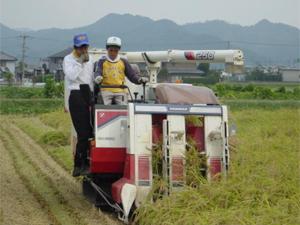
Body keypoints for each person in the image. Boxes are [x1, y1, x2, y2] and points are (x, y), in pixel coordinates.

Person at [63, 33, 94, 177]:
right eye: (81, 47)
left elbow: (91, 79)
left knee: (91, 132)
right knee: (83, 132)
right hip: (76, 95)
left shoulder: (91, 59)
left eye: (86, 46)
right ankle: (79, 164)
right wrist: (80, 62)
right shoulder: (68, 59)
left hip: (89, 95)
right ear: (75, 47)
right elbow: (71, 76)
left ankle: (84, 163)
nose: (84, 50)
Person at [94, 36, 148, 105]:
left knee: (124, 108)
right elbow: (98, 72)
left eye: (116, 51)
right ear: (107, 49)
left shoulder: (123, 62)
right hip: (105, 89)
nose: (113, 53)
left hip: (121, 90)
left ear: (119, 50)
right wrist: (97, 77)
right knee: (104, 107)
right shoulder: (101, 61)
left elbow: (132, 76)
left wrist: (139, 80)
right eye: (111, 50)